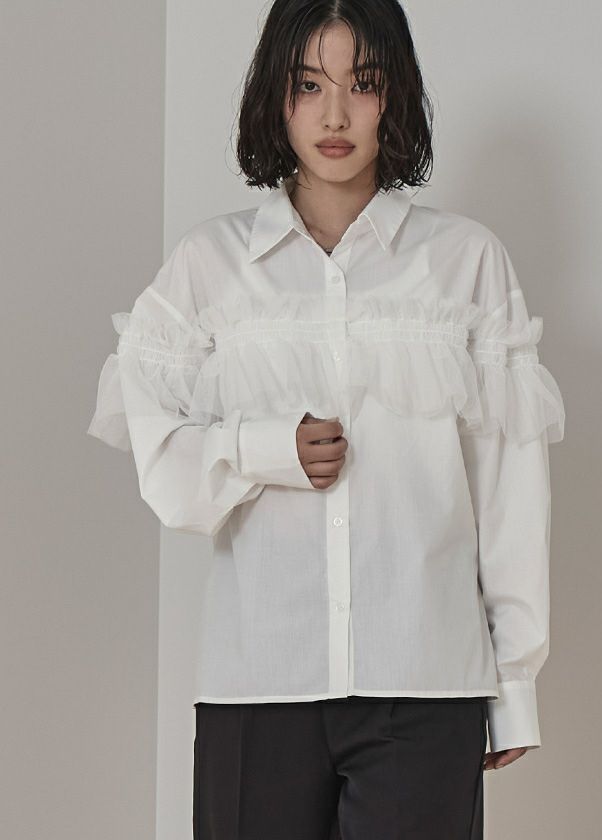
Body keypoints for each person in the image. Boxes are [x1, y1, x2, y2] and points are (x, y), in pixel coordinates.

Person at [87, 0, 566, 837]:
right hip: (259, 684)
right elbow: (164, 465)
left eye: (363, 83)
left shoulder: (466, 263)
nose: (335, 114)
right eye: (309, 85)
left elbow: (508, 488)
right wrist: (266, 449)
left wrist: (514, 683)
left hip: (426, 686)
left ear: (395, 96)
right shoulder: (210, 266)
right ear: (275, 96)